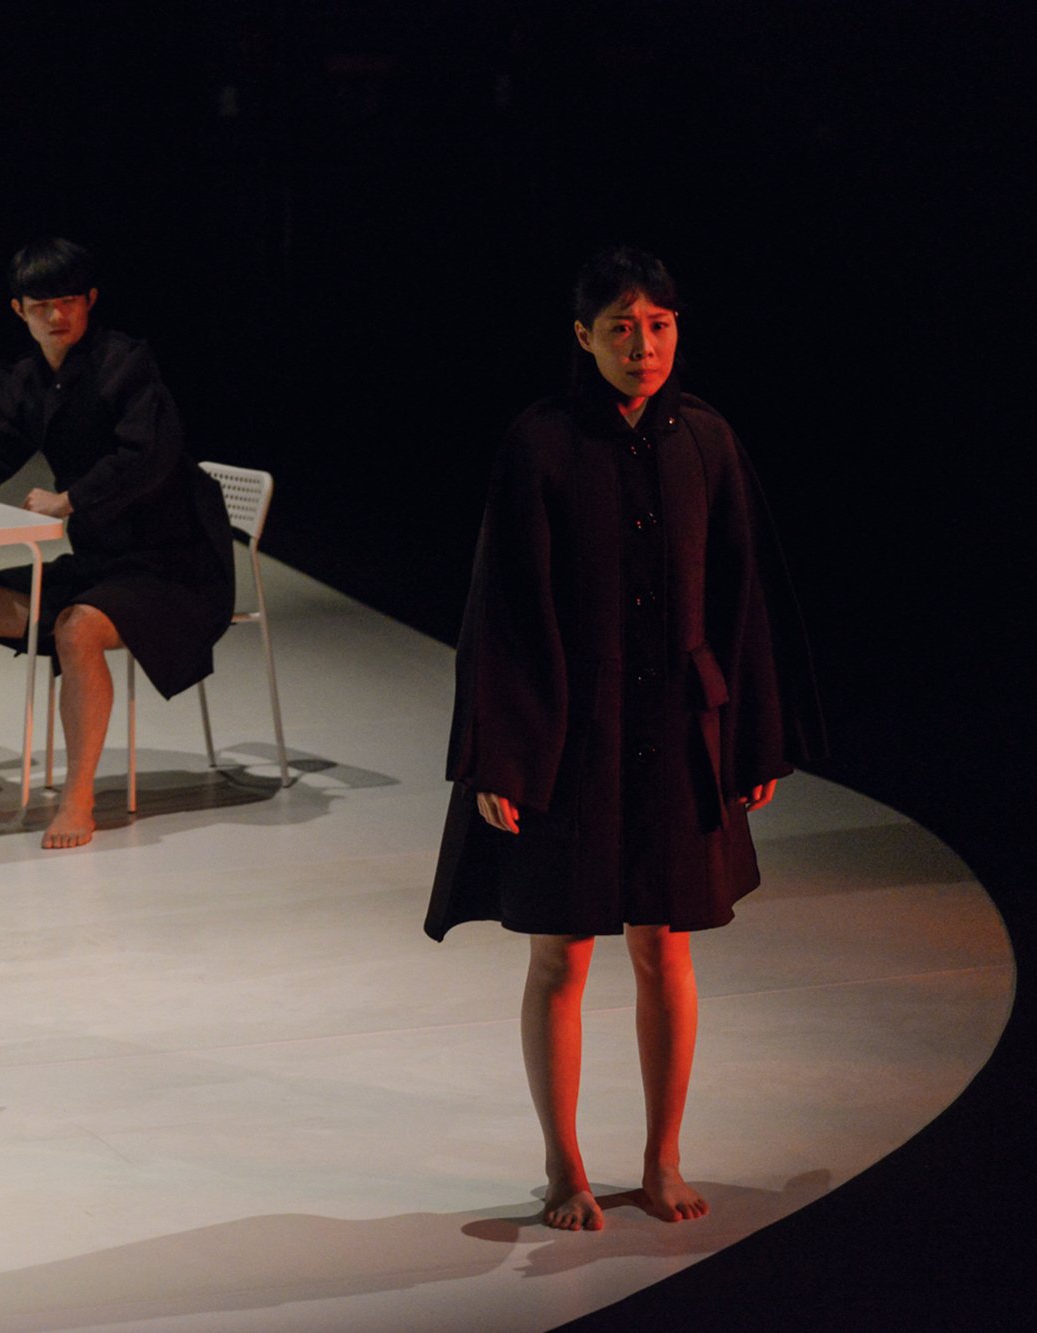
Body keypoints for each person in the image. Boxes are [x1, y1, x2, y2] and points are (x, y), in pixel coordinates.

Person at [424, 247, 824, 1231]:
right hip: (569, 734)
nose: (642, 345)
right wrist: (498, 755)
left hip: (677, 727)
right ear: (583, 336)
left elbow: (742, 593)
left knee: (665, 947)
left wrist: (750, 739)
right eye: (620, 328)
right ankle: (563, 1165)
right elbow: (500, 608)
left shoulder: (707, 440)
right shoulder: (540, 442)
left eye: (658, 325)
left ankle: (661, 1157)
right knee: (559, 957)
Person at [0, 238, 235, 848]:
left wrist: (70, 499)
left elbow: (148, 456)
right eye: (41, 305)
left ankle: (77, 797)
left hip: (174, 568)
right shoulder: (25, 378)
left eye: (68, 301)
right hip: (100, 563)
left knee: (78, 629)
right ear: (18, 310)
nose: (56, 315)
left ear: (90, 300)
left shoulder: (125, 365)